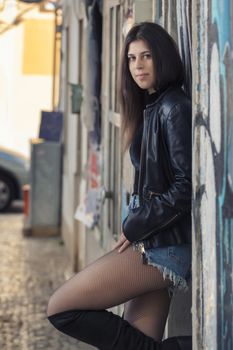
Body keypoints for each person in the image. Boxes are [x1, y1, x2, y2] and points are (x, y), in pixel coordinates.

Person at [47, 22, 192, 350]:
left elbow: (186, 187)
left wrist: (135, 224)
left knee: (61, 308)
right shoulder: (153, 105)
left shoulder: (173, 108)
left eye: (146, 56)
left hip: (163, 247)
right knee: (138, 342)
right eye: (131, 59)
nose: (138, 66)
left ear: (163, 59)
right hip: (154, 239)